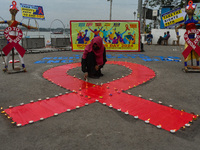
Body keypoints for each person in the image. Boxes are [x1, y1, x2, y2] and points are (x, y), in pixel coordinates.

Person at [0, 1, 37, 72]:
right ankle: (6, 66)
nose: (14, 12)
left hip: (16, 39)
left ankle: (23, 66)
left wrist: (34, 28)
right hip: (10, 40)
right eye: (12, 10)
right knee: (7, 53)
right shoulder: (8, 22)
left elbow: (27, 26)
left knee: (19, 52)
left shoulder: (16, 22)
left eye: (15, 11)